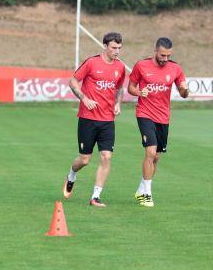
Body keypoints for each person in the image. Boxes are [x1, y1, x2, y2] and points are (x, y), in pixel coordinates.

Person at [62, 32, 126, 208]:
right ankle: (71, 176)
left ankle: (95, 197)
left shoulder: (120, 67)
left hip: (107, 120)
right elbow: (73, 82)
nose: (117, 51)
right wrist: (84, 98)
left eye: (119, 48)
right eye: (114, 47)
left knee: (106, 157)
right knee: (84, 160)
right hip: (87, 118)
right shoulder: (92, 62)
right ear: (105, 46)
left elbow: (120, 88)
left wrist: (118, 104)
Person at [127, 37, 189, 207]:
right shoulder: (142, 65)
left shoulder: (175, 68)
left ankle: (141, 189)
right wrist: (139, 92)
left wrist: (184, 90)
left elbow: (183, 91)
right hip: (145, 113)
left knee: (157, 157)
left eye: (168, 55)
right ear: (155, 51)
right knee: (151, 152)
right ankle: (147, 193)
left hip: (163, 117)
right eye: (162, 55)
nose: (165, 59)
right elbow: (130, 88)